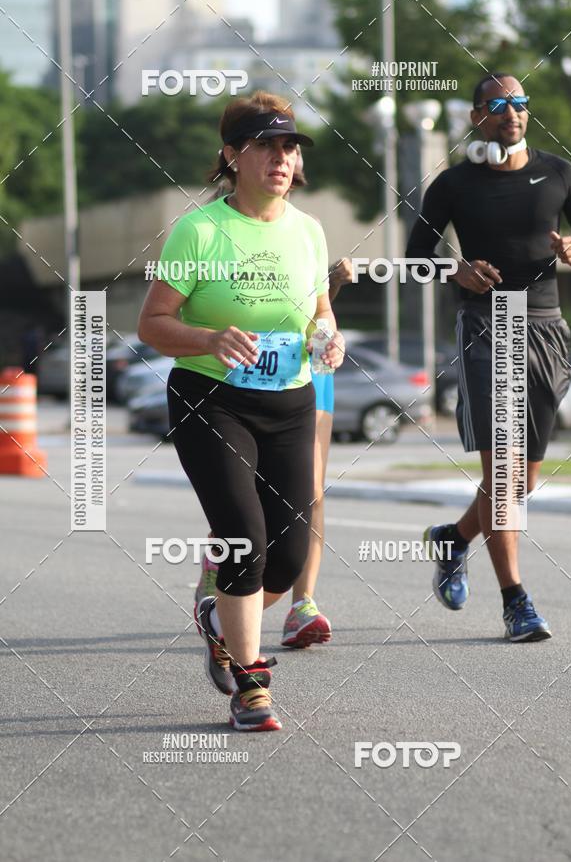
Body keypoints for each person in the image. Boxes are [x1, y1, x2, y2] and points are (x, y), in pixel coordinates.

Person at [138, 91, 345, 731]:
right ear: (232, 155)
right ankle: (251, 687)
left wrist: (328, 338)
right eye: (265, 145)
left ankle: (218, 607)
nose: (281, 158)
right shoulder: (199, 231)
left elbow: (319, 313)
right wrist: (210, 338)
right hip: (211, 398)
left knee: (285, 559)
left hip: (290, 401)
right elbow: (152, 324)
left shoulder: (308, 231)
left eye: (289, 147)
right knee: (245, 540)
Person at [406, 72, 571, 641]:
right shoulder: (454, 184)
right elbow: (418, 255)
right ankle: (517, 601)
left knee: (523, 481)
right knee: (505, 472)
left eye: (519, 103)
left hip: (546, 327)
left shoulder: (560, 172)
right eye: (498, 104)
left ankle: (454, 538)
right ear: (476, 118)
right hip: (490, 325)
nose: (512, 112)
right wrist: (455, 269)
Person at [280, 256, 354, 648]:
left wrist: (333, 281)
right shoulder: (215, 230)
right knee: (250, 494)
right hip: (246, 371)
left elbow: (318, 306)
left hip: (311, 368)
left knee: (312, 494)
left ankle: (301, 606)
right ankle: (220, 571)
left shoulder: (305, 232)